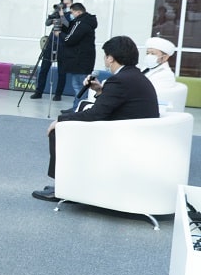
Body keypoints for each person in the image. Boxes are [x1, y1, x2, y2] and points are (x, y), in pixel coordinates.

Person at [32, 36, 160, 201]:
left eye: (105, 56)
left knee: (60, 131)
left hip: (124, 138)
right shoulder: (134, 76)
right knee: (72, 121)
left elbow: (96, 114)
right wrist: (100, 91)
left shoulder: (119, 80)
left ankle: (63, 187)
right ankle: (68, 184)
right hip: (136, 134)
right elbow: (113, 106)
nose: (105, 60)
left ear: (110, 58)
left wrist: (61, 120)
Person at [30, 0, 73, 100]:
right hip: (51, 43)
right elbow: (47, 23)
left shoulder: (72, 15)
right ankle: (38, 92)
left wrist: (62, 15)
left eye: (67, 4)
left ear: (72, 3)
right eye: (64, 4)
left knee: (62, 72)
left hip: (63, 44)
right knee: (44, 69)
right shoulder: (57, 12)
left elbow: (67, 25)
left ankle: (58, 94)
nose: (65, 6)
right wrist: (54, 18)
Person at [58, 3, 97, 110]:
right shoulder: (84, 21)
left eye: (72, 12)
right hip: (82, 60)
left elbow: (69, 39)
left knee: (79, 87)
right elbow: (69, 28)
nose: (71, 15)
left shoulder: (81, 24)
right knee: (78, 86)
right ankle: (76, 107)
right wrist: (61, 17)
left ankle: (78, 109)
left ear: (78, 12)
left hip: (80, 61)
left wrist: (59, 34)